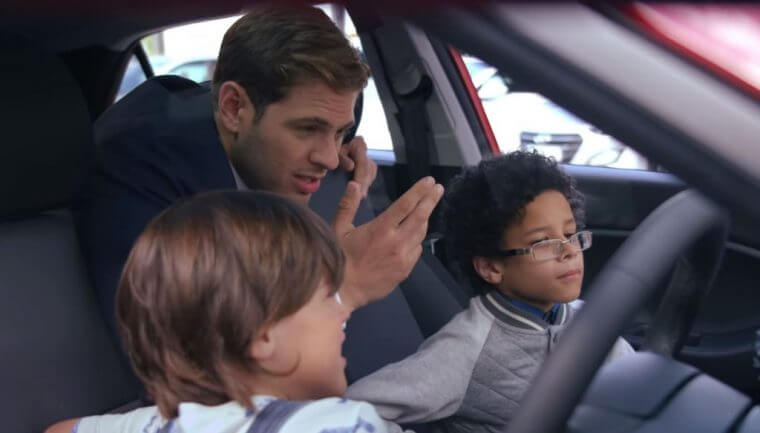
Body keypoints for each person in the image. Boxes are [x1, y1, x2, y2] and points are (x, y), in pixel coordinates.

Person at [74, 3, 442, 339]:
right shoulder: (137, 175)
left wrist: (345, 141)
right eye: (308, 128)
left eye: (339, 131)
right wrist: (342, 287)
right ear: (233, 108)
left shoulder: (302, 131)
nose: (330, 160)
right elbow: (175, 354)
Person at [48, 190, 412, 433]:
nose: (342, 313)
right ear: (262, 334)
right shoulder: (336, 424)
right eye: (328, 297)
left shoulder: (156, 425)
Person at [345, 151, 634, 432]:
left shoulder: (589, 321)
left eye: (570, 234)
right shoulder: (465, 350)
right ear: (491, 268)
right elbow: (347, 411)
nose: (569, 250)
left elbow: (640, 388)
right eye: (542, 242)